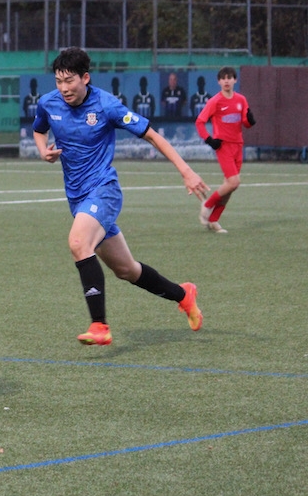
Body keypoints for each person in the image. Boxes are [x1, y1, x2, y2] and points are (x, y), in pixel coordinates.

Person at [32, 47, 207, 346]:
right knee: (127, 270)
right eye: (59, 81)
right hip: (78, 199)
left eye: (70, 81)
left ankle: (99, 325)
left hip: (104, 190)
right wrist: (43, 150)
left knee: (78, 243)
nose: (63, 88)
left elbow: (151, 134)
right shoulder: (49, 103)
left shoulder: (107, 105)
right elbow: (39, 129)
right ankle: (184, 295)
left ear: (85, 78)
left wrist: (186, 171)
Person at [195, 66, 256, 234]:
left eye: (230, 77)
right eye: (223, 78)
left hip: (238, 145)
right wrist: (209, 140)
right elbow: (200, 122)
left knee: (230, 185)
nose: (227, 80)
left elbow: (245, 122)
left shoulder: (241, 100)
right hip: (223, 146)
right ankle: (207, 206)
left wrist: (250, 121)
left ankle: (214, 220)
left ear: (235, 80)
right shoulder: (215, 101)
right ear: (219, 81)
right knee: (234, 182)